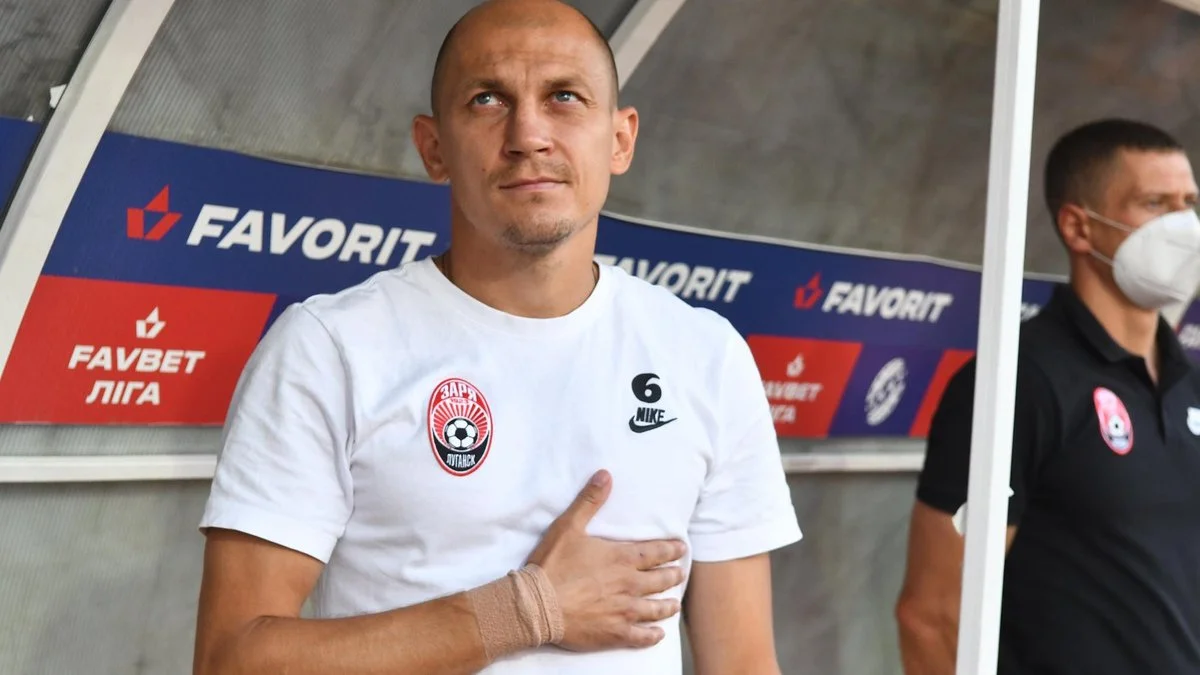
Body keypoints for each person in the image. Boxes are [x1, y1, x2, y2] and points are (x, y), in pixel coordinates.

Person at [191, 1, 802, 673]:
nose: (528, 135)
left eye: (564, 97)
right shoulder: (329, 348)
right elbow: (231, 660)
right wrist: (524, 610)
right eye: (487, 100)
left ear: (620, 139)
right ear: (434, 148)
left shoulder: (705, 354)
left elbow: (743, 662)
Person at [895, 118, 1200, 674]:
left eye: (1190, 204)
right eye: (1155, 204)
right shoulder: (1017, 382)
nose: (1182, 226)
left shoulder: (1190, 383)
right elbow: (933, 615)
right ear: (1079, 227)